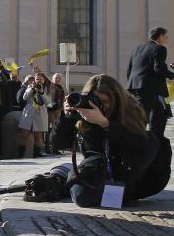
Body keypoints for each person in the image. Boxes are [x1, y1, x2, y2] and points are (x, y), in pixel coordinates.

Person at [47, 74, 170, 207]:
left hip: (133, 169)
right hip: (99, 165)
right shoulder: (85, 112)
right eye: (96, 100)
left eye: (105, 101)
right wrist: (65, 117)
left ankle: (69, 175)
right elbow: (57, 143)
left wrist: (105, 124)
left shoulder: (130, 110)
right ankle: (70, 174)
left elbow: (140, 144)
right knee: (82, 196)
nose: (100, 106)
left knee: (154, 140)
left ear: (116, 100)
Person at [127, 27, 174, 140]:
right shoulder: (160, 48)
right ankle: (154, 141)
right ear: (160, 36)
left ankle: (137, 140)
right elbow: (158, 69)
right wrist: (172, 76)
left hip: (135, 86)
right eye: (166, 37)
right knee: (160, 115)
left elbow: (130, 70)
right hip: (154, 90)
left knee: (140, 117)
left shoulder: (137, 48)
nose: (167, 40)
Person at [17, 73, 53, 157]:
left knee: (38, 136)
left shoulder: (47, 89)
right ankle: (20, 155)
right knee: (24, 134)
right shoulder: (30, 87)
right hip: (29, 112)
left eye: (40, 79)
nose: (38, 81)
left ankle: (36, 154)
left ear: (44, 80)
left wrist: (42, 92)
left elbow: (48, 102)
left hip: (40, 113)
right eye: (37, 79)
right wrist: (31, 89)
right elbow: (24, 98)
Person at [47, 73, 66, 154]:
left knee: (57, 129)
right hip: (50, 110)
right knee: (49, 129)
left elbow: (64, 99)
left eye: (59, 78)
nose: (57, 79)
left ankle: (55, 148)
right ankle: (47, 148)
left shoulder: (62, 88)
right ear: (52, 79)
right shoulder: (50, 86)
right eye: (56, 78)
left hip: (59, 110)